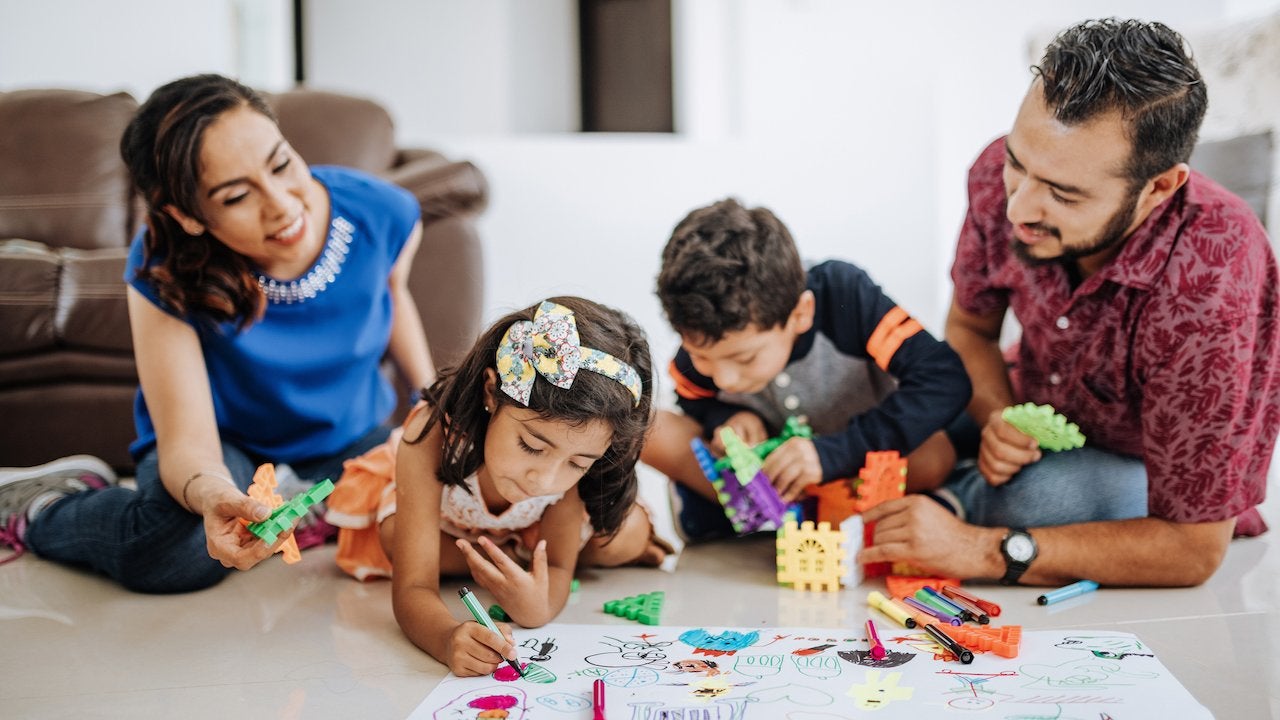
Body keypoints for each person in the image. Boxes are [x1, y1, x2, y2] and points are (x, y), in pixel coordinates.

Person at [860, 19, 1279, 588]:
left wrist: (981, 550)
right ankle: (951, 489)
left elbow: (1194, 549)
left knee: (1035, 501)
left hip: (1143, 465)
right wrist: (999, 419)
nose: (1017, 209)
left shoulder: (1213, 269)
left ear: (1159, 188)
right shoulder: (996, 176)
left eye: (1063, 193)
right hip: (1031, 397)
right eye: (1018, 165)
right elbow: (969, 330)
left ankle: (953, 503)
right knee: (879, 399)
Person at [0, 74, 435, 592]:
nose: (281, 204)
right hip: (227, 443)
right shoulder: (162, 265)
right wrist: (211, 492)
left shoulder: (383, 211)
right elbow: (188, 442)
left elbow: (393, 294)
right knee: (173, 552)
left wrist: (431, 398)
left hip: (349, 437)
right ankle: (49, 504)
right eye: (235, 196)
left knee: (436, 515)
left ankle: (308, 505)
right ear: (188, 216)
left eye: (281, 163)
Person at [324, 297, 657, 676]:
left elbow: (561, 566)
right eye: (531, 445)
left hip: (528, 534)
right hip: (449, 529)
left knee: (625, 535)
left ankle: (509, 559)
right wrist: (448, 637)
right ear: (490, 391)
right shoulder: (431, 434)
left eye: (579, 463)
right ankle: (512, 559)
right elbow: (414, 587)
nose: (545, 480)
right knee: (394, 535)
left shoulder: (568, 467)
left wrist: (539, 605)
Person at [640, 198, 972, 540]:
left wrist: (835, 453)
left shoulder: (845, 296)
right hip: (772, 473)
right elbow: (693, 398)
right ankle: (756, 509)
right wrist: (725, 418)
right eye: (702, 356)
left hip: (857, 464)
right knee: (650, 428)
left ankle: (824, 514)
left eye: (746, 359)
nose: (724, 378)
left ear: (801, 314)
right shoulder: (703, 330)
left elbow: (944, 378)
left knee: (934, 454)